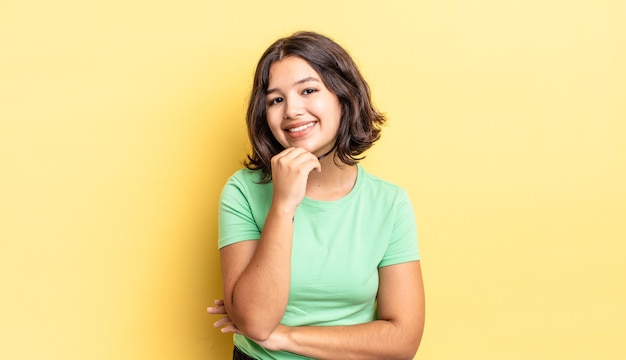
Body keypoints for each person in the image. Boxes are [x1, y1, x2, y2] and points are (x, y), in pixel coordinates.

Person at [208, 31, 425, 360]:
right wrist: (283, 204)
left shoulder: (389, 203)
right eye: (275, 99)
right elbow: (255, 321)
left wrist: (283, 337)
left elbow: (402, 340)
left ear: (343, 97)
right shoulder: (243, 191)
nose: (292, 110)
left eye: (308, 90)